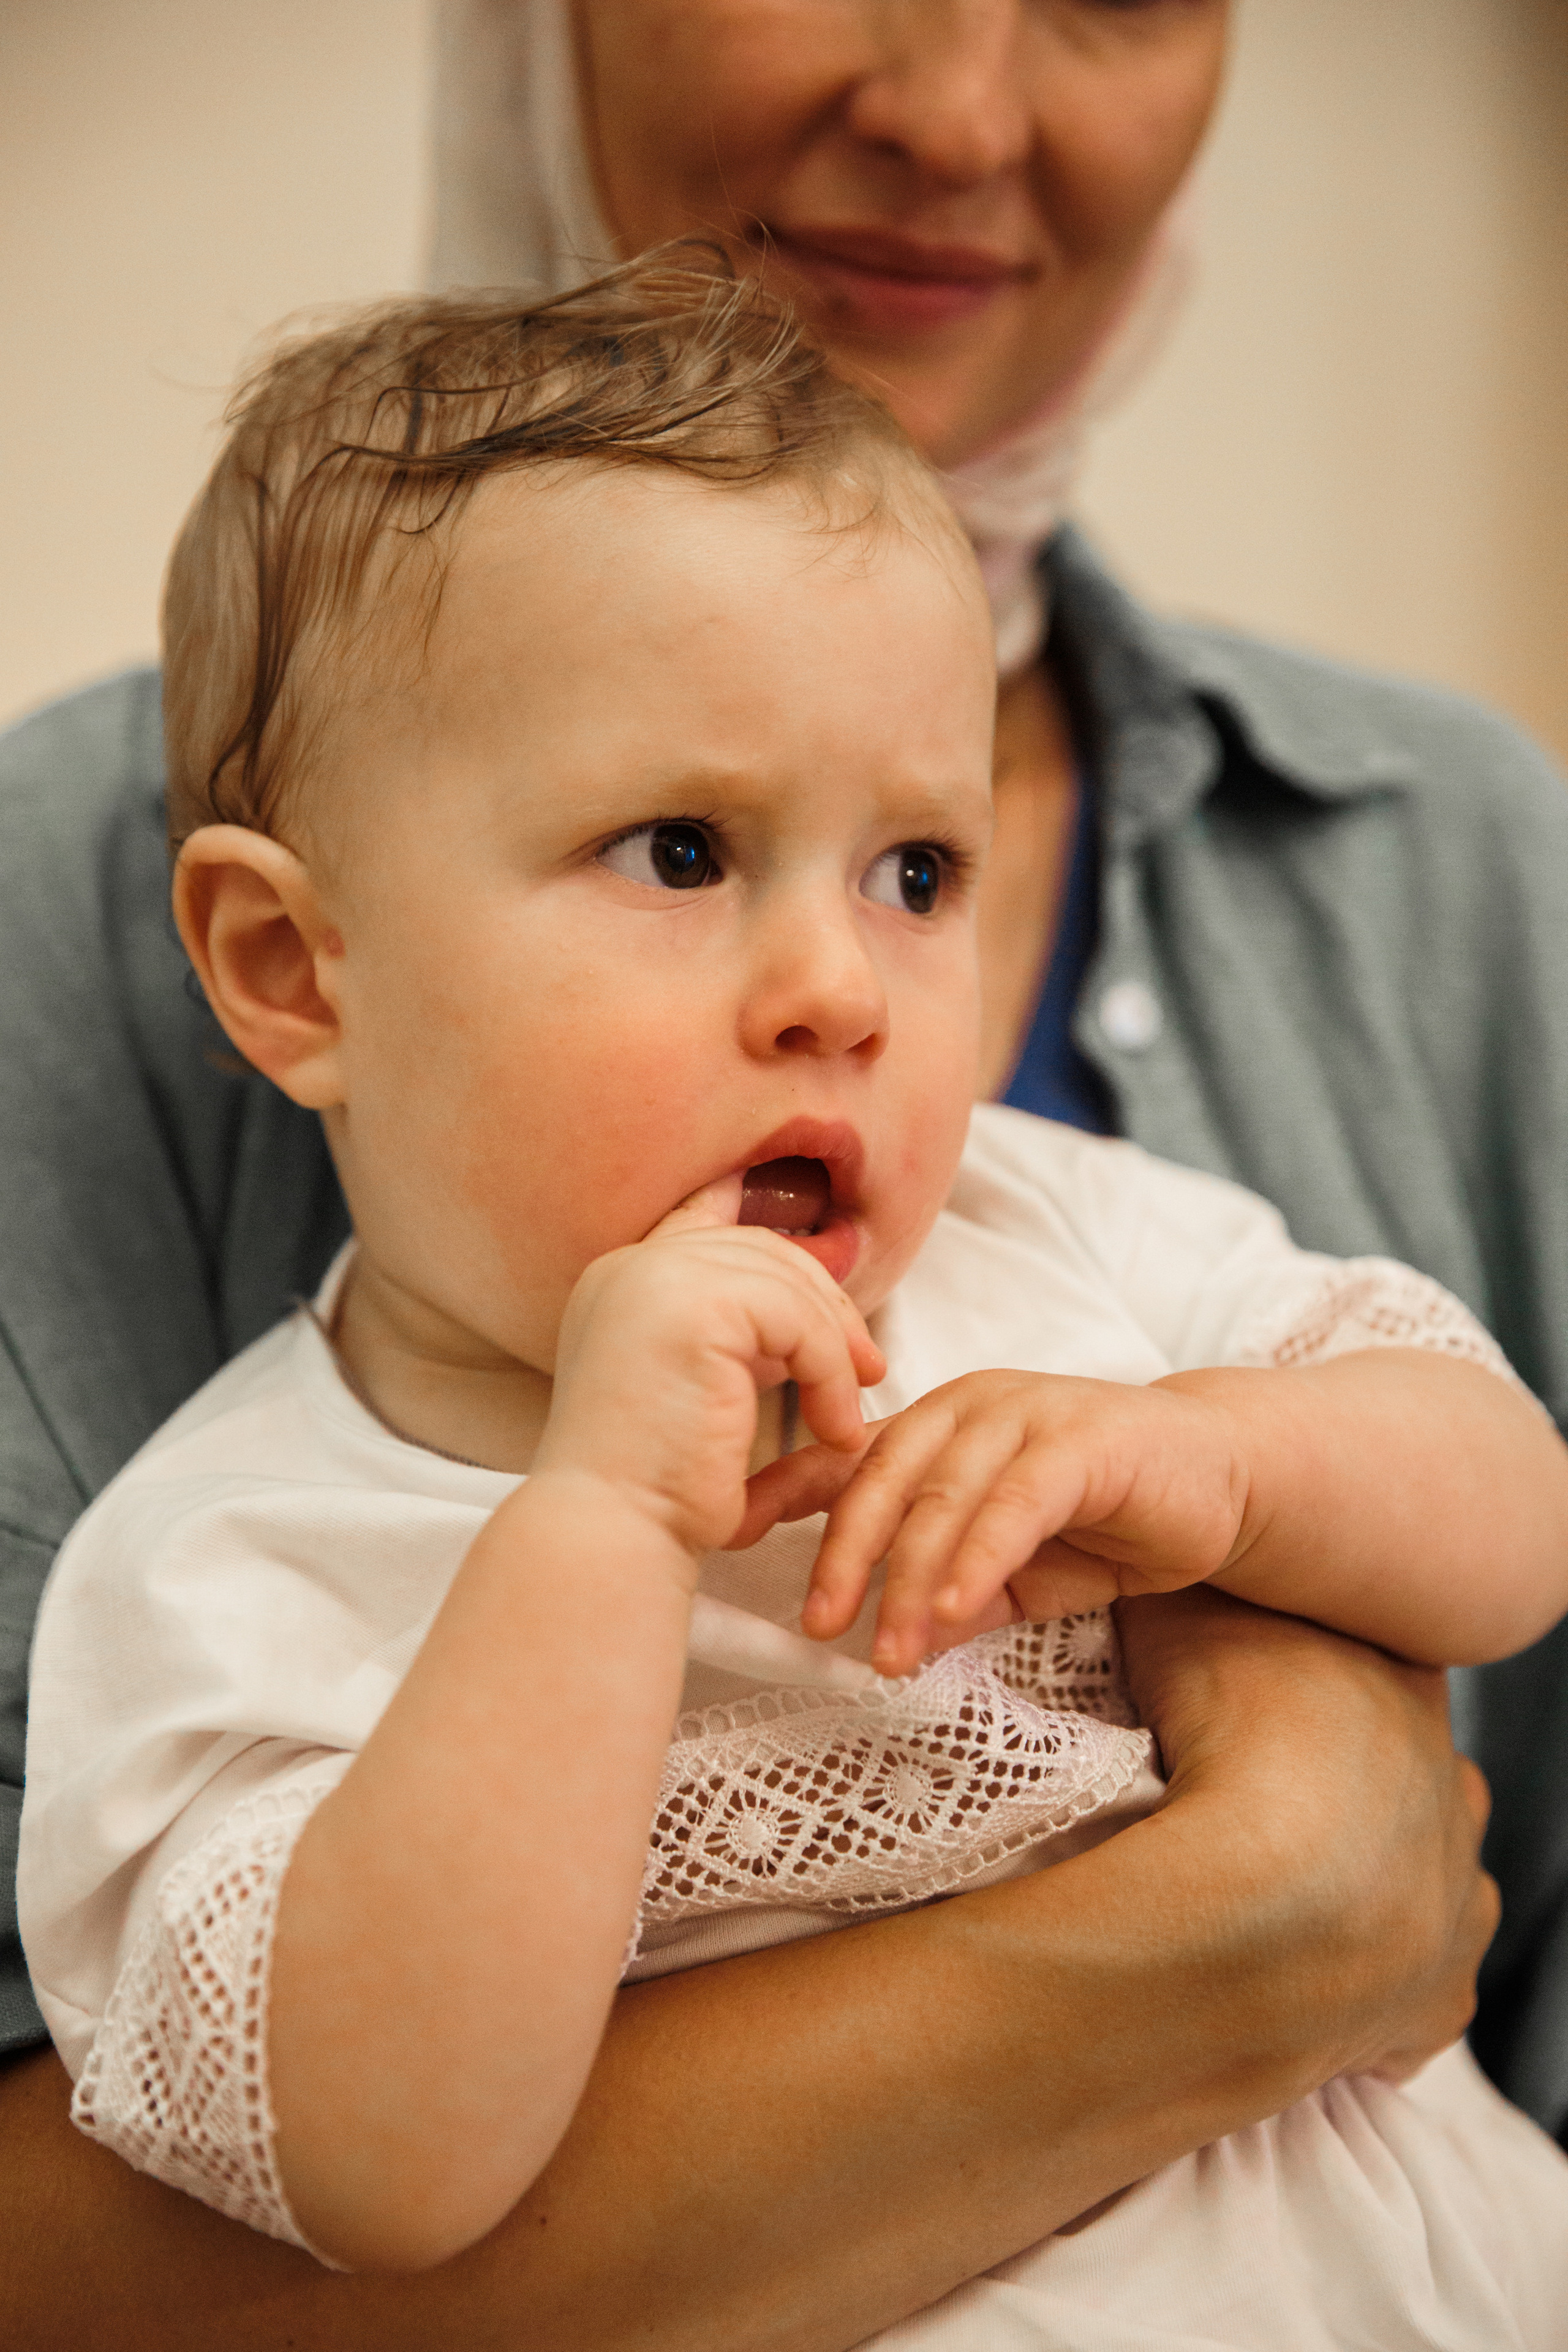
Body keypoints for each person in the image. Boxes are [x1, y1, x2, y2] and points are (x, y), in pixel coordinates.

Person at [0, 4, 1559, 2345]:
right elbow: (393, 2175)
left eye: (917, 873)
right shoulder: (237, 1577)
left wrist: (1222, 1465)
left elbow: (1515, 1513)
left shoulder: (1057, 1235)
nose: (841, 985)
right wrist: (602, 1539)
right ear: (289, 973)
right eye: (683, 850)